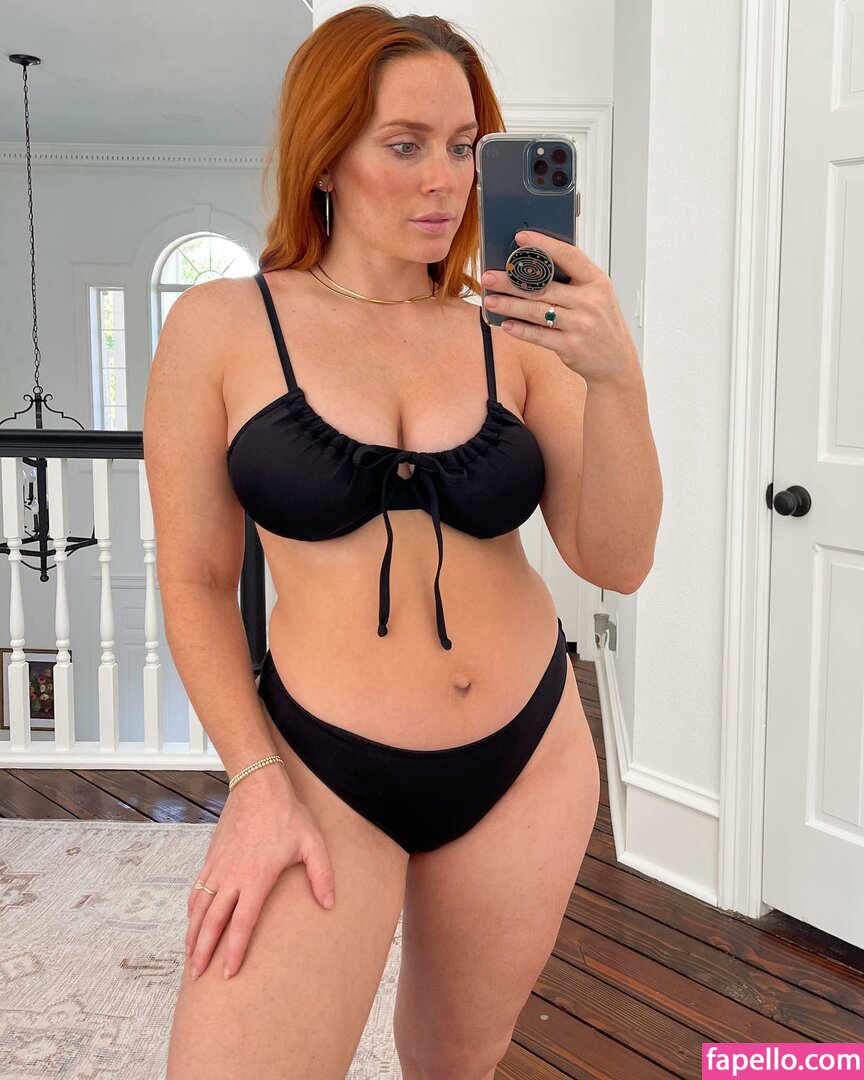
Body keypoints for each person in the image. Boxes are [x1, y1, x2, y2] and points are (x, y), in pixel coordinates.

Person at [144, 7, 660, 1079]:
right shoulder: (221, 325)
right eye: (407, 144)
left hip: (527, 757)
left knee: (453, 1062)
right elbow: (194, 578)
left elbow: (616, 559)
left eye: (465, 147)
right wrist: (253, 780)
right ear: (326, 154)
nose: (447, 181)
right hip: (319, 765)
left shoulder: (515, 328)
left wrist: (616, 377)